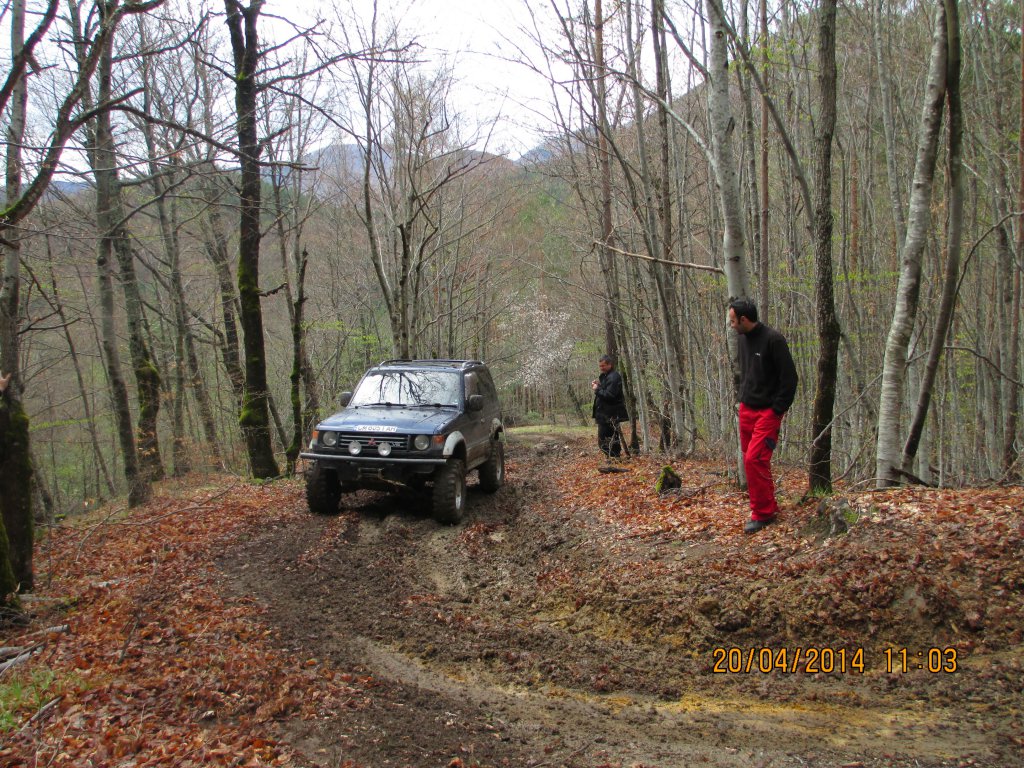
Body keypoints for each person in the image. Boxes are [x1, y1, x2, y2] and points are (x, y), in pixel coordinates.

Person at [728, 299, 798, 533]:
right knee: (752, 461)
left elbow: (790, 379)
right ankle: (767, 505)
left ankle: (763, 513)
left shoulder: (773, 340)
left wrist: (777, 410)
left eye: (733, 321)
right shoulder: (742, 340)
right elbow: (747, 374)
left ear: (744, 319)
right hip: (747, 408)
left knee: (754, 459)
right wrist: (741, 400)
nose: (731, 325)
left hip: (767, 412)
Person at [591, 354, 629, 458]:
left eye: (603, 366)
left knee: (604, 440)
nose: (601, 368)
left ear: (610, 365)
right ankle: (614, 458)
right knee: (609, 438)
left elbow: (610, 395)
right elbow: (607, 390)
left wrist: (597, 389)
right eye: (600, 366)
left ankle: (614, 458)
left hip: (609, 414)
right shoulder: (607, 376)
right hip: (605, 414)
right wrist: (599, 385)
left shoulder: (614, 377)